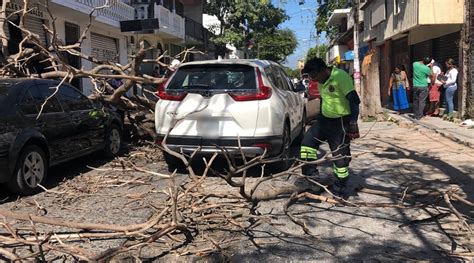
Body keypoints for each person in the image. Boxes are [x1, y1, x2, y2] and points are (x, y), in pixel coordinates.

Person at [299, 58, 361, 194]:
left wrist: (353, 124)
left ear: (323, 70)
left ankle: (340, 185)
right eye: (310, 77)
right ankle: (312, 179)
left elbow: (355, 101)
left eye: (314, 75)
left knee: (339, 158)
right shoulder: (321, 80)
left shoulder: (340, 77)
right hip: (324, 121)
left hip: (340, 123)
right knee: (306, 144)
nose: (313, 79)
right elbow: (325, 100)